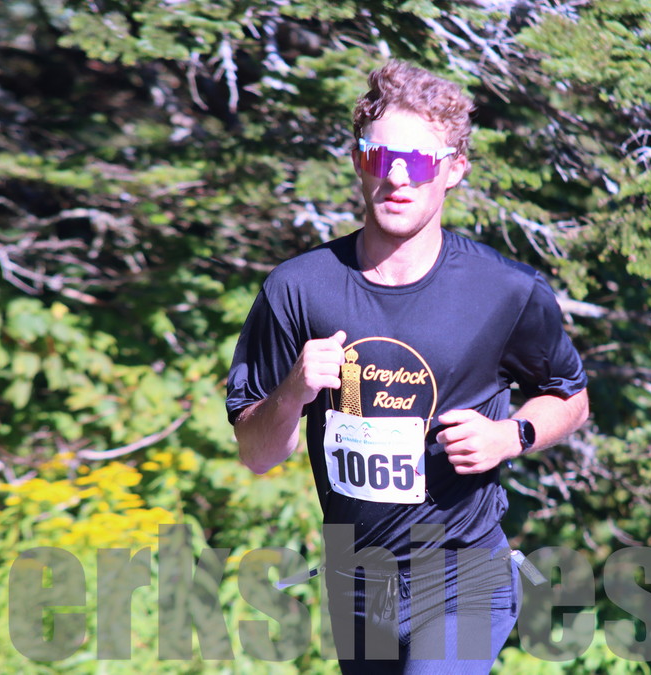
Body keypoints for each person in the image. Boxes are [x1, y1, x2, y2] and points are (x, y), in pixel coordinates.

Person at [225, 59, 589, 673]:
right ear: (358, 161)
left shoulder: (503, 290)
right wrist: (293, 392)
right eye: (380, 156)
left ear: (454, 169)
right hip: (359, 587)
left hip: (463, 578)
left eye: (418, 161)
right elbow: (257, 455)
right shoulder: (299, 288)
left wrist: (512, 435)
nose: (397, 177)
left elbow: (571, 397)